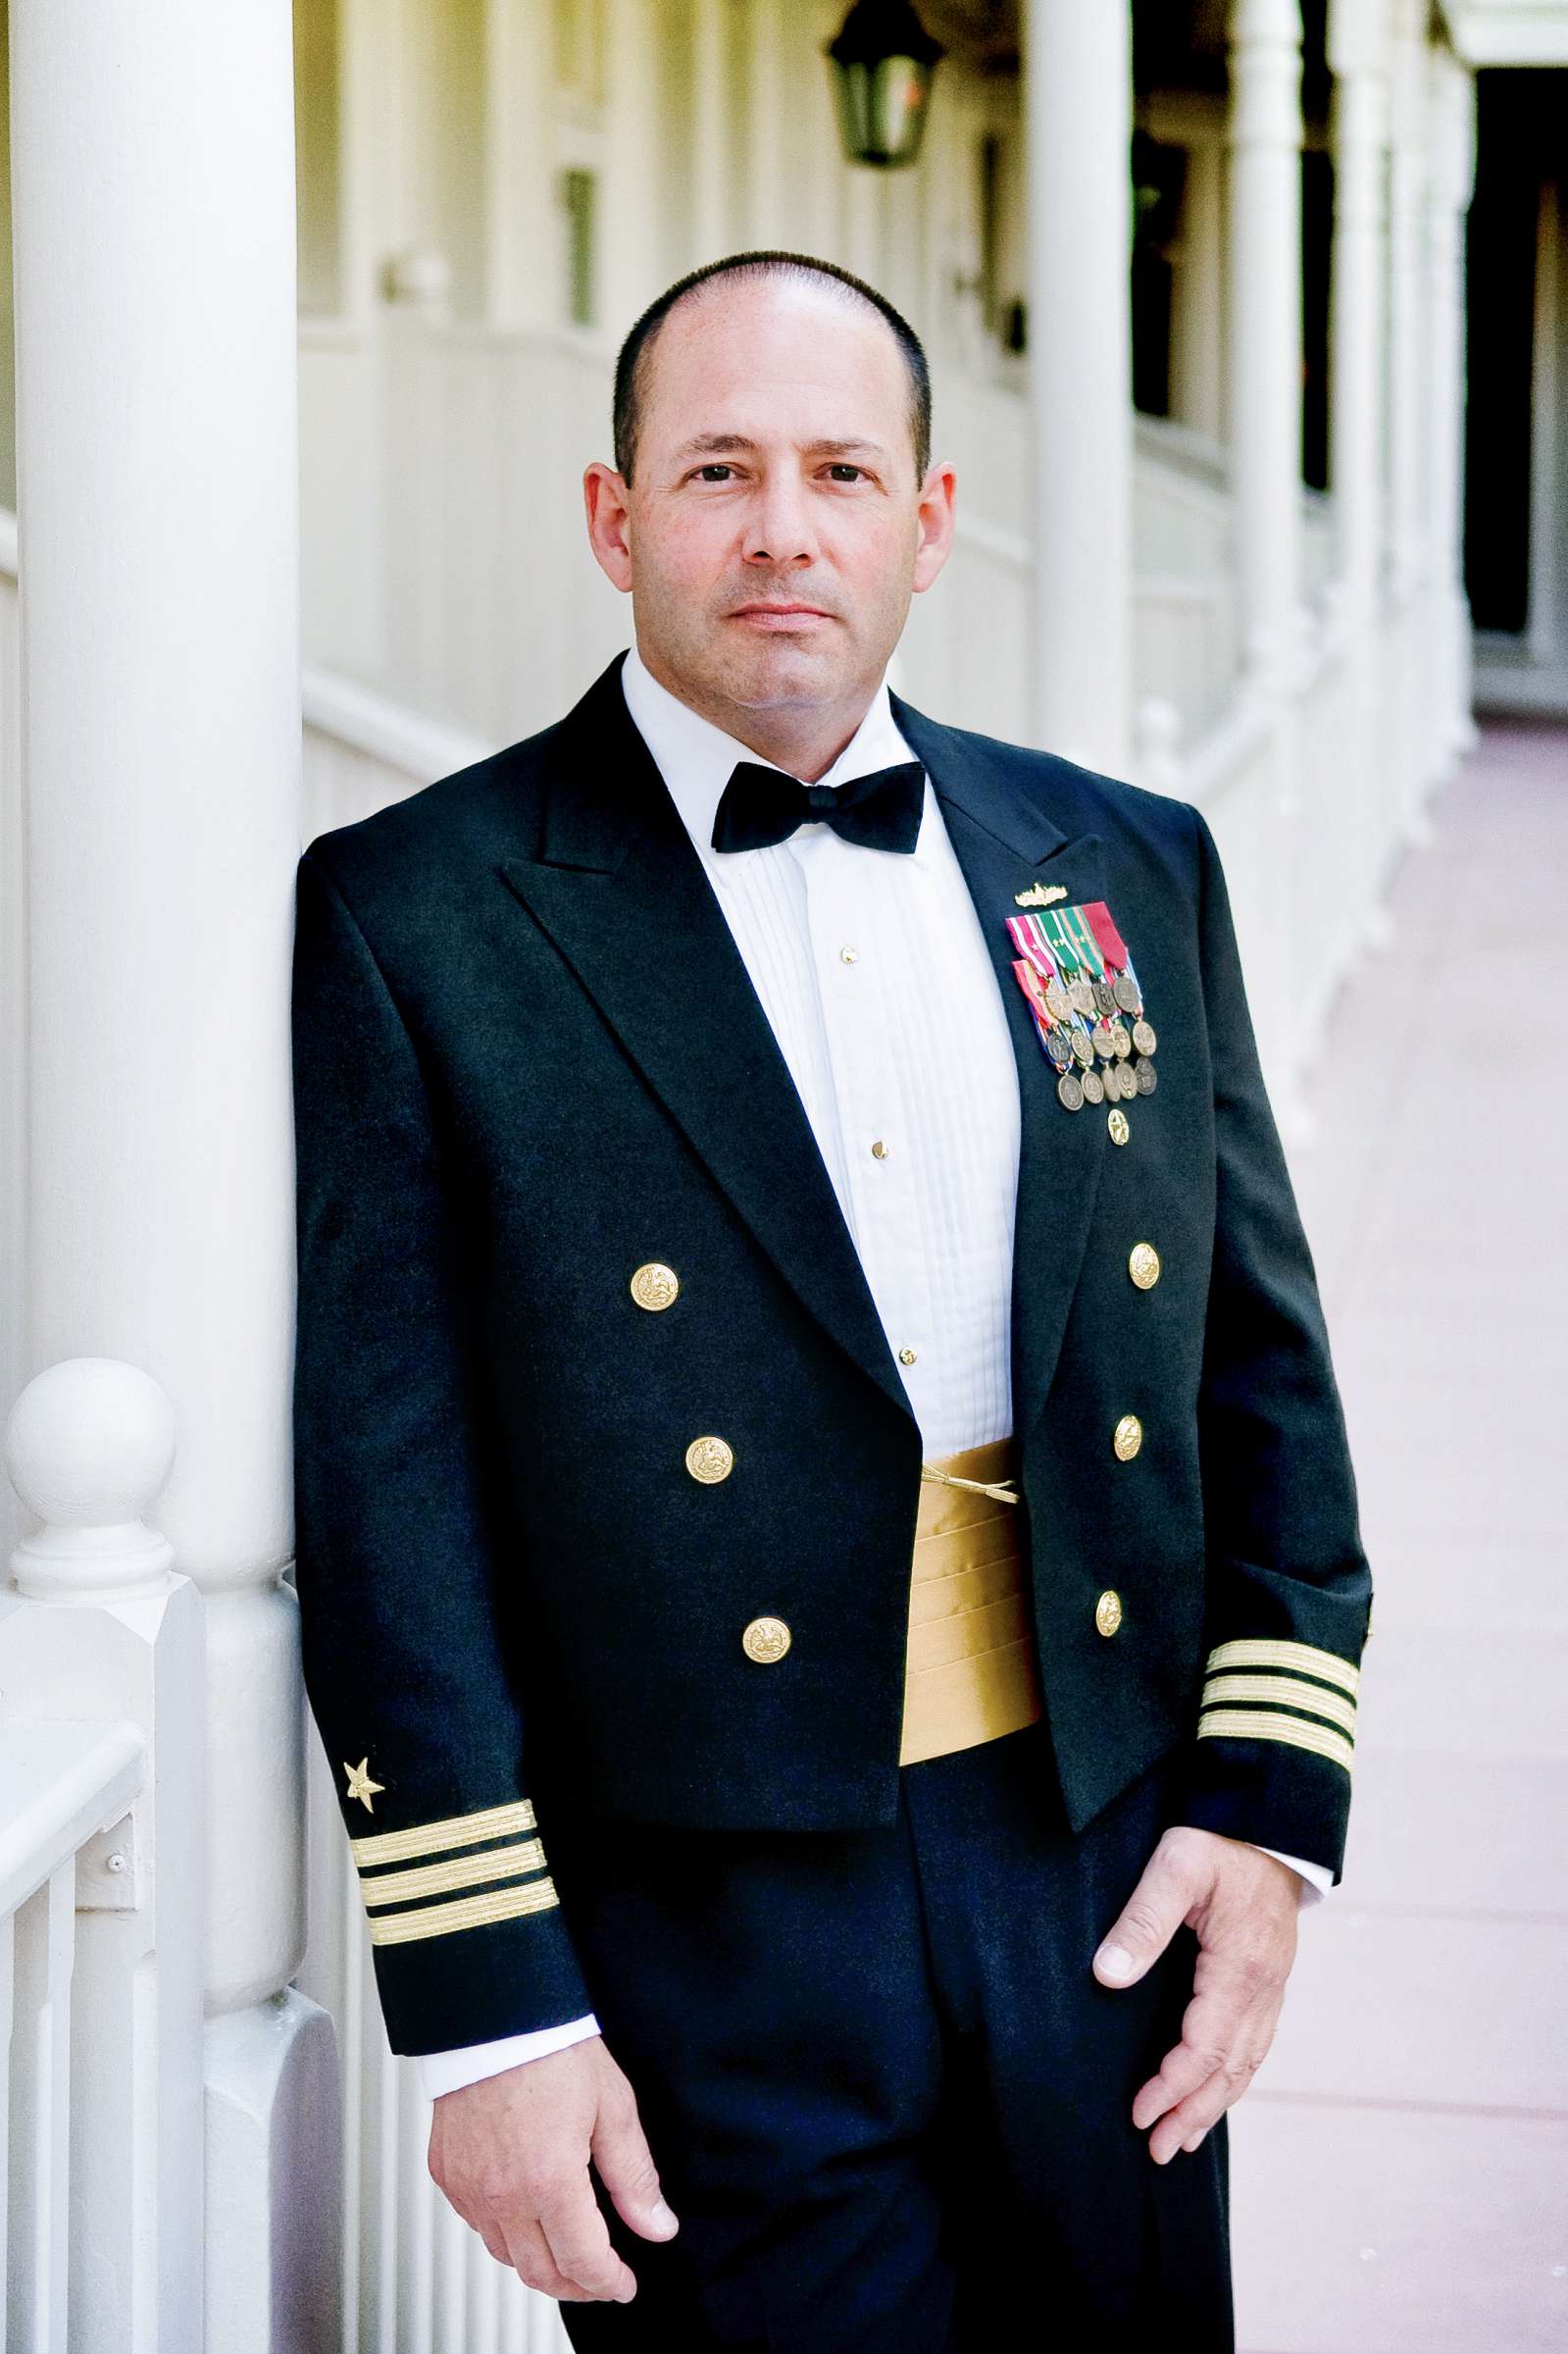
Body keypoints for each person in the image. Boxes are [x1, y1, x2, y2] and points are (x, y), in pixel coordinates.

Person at [290, 249, 1372, 2350]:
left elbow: (1258, 1369)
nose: (781, 531)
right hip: (704, 1915)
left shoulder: (1121, 863)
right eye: (714, 471)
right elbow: (387, 1498)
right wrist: (486, 2007)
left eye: (838, 474)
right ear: (613, 521)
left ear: (926, 521)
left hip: (1100, 1864)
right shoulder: (420, 915)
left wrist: (1265, 1807)